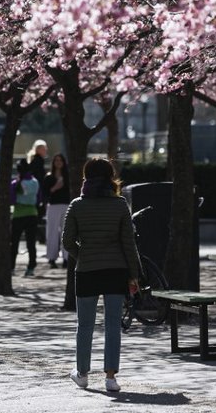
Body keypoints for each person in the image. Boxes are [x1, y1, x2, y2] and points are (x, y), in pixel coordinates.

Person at [62, 158, 141, 393]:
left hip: (87, 270)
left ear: (86, 177)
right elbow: (129, 243)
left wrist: (83, 254)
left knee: (84, 324)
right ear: (110, 178)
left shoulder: (77, 205)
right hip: (116, 269)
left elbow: (67, 242)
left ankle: (83, 373)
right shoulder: (119, 205)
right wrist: (134, 274)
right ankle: (110, 377)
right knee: (112, 324)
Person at [10, 158, 41, 277]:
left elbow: (12, 200)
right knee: (31, 243)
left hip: (18, 214)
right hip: (32, 214)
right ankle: (31, 267)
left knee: (14, 243)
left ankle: (11, 267)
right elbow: (39, 199)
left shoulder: (15, 183)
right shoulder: (35, 182)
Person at [43, 153, 70, 269]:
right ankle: (52, 258)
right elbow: (45, 194)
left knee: (67, 233)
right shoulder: (49, 177)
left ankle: (66, 258)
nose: (58, 162)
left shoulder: (68, 177)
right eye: (56, 160)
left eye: (60, 160)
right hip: (53, 206)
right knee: (52, 232)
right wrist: (55, 187)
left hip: (66, 205)